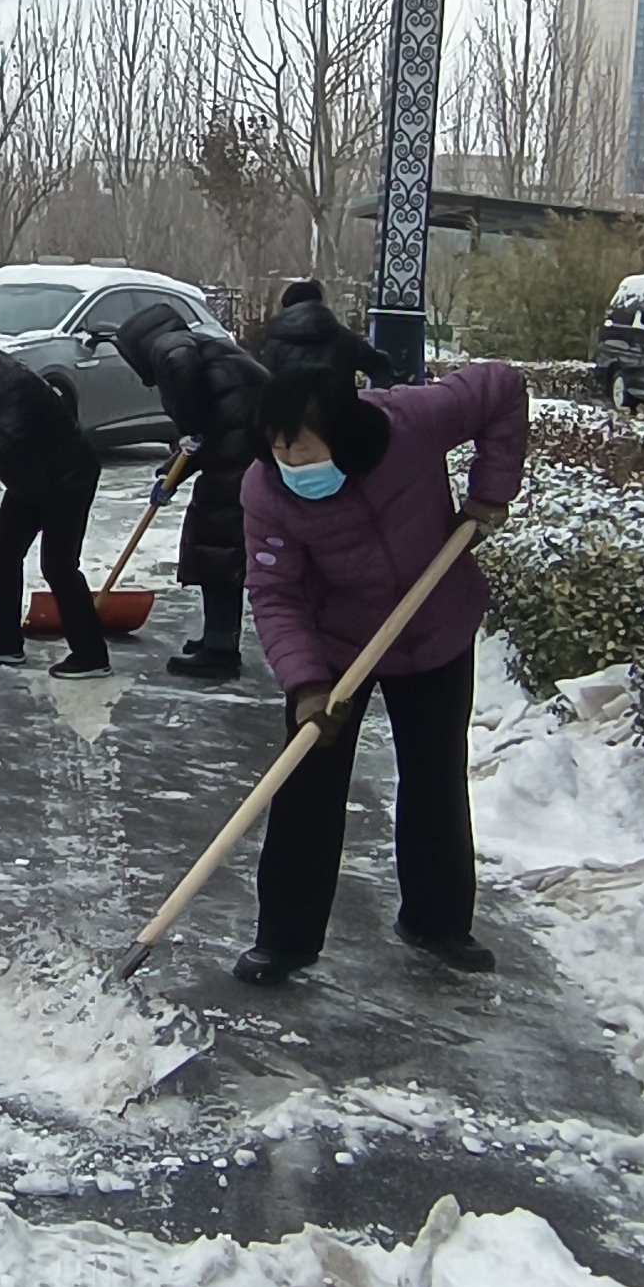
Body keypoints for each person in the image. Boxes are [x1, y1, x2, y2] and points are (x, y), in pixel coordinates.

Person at [235, 357, 528, 988]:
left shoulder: (412, 423)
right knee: (307, 781)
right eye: (279, 451)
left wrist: (489, 492)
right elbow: (275, 592)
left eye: (303, 451)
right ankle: (284, 938)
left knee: (434, 775)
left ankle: (438, 920)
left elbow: (502, 387)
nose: (292, 466)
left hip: (434, 622)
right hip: (335, 643)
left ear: (343, 432)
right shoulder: (267, 490)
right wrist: (309, 685)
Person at [0, 311, 109, 680]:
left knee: (58, 566)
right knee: (4, 550)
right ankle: (3, 641)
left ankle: (91, 655)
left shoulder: (16, 385)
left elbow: (7, 444)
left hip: (66, 479)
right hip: (28, 481)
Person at [111, 301, 268, 682]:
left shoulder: (172, 347)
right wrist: (171, 475)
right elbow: (209, 429)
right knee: (217, 549)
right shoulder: (206, 348)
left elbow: (198, 422)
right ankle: (216, 638)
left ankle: (220, 650)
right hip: (241, 450)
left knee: (217, 550)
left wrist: (189, 426)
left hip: (239, 458)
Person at [257, 278, 403, 388]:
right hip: (336, 420)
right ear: (320, 304)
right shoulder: (343, 338)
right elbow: (380, 367)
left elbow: (261, 383)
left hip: (286, 421)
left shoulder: (271, 343)